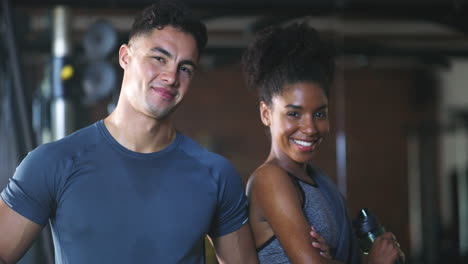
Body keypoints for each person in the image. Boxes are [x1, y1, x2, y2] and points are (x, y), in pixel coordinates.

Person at [0, 1, 261, 263]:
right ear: (126, 56)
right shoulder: (53, 162)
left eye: (185, 68)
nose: (171, 76)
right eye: (159, 58)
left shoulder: (216, 174)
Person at [241, 23, 405, 264]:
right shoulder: (271, 179)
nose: (310, 128)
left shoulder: (315, 179)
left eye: (319, 114)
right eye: (294, 114)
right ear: (266, 113)